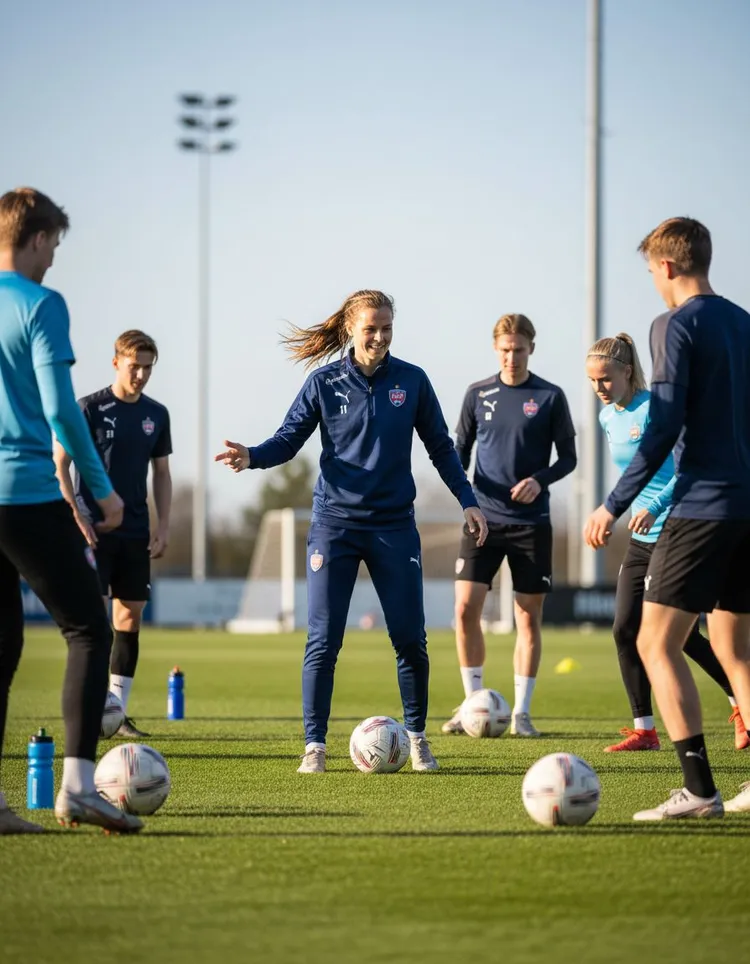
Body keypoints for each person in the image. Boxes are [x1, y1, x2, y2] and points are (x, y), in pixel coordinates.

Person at [215, 289, 488, 773]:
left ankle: (419, 738)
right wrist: (252, 456)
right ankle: (314, 747)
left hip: (393, 528)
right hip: (334, 527)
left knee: (410, 639)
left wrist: (468, 501)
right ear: (350, 330)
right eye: (370, 329)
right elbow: (288, 439)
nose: (379, 337)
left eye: (386, 329)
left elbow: (442, 448)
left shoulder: (413, 381)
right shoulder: (323, 382)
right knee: (323, 640)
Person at [584, 217, 750, 820]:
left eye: (651, 270)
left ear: (668, 267)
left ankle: (700, 791)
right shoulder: (742, 322)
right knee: (736, 650)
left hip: (701, 507)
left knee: (656, 642)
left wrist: (614, 502)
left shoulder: (673, 324)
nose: (653, 281)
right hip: (746, 507)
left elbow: (665, 425)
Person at [0, 187, 142, 833]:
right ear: (34, 238)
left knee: (3, 647)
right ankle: (79, 789)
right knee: (89, 630)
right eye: (53, 244)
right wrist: (101, 488)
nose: (54, 258)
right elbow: (61, 408)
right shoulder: (40, 304)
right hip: (24, 491)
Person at [586, 332, 746, 752]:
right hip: (640, 539)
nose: (598, 388)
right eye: (591, 381)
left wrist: (655, 505)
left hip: (676, 533)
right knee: (624, 628)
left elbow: (685, 468)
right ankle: (644, 729)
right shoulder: (607, 418)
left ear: (626, 371)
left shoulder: (656, 409)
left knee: (680, 637)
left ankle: (739, 704)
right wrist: (614, 510)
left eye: (605, 379)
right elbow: (632, 472)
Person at [442, 313, 576, 737]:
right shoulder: (476, 393)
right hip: (482, 519)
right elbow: (457, 453)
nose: (512, 357)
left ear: (531, 348)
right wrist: (465, 499)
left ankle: (521, 713)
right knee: (464, 611)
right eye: (505, 350)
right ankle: (471, 705)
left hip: (531, 524)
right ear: (495, 349)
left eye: (519, 349)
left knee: (526, 617)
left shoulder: (550, 396)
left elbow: (569, 458)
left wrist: (540, 480)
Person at [54, 330, 172, 738]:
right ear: (116, 362)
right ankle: (87, 710)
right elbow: (60, 464)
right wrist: (75, 515)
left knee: (130, 619)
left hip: (136, 533)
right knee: (94, 622)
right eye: (133, 365)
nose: (140, 374)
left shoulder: (157, 414)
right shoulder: (88, 408)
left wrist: (164, 525)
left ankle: (116, 713)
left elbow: (162, 474)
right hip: (93, 531)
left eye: (147, 367)